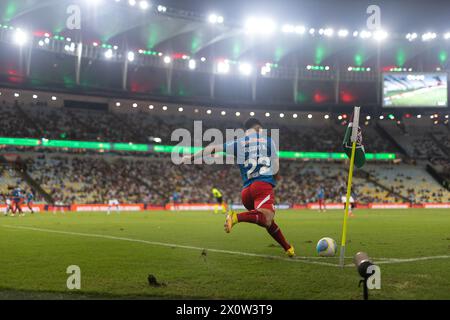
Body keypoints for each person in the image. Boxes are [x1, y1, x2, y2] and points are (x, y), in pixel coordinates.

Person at [183, 118, 295, 257]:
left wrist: (192, 157)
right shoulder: (268, 140)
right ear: (259, 128)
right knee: (266, 217)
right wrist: (276, 176)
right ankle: (235, 217)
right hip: (262, 186)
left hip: (246, 192)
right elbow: (275, 163)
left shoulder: (237, 143)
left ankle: (288, 248)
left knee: (266, 220)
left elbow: (212, 148)